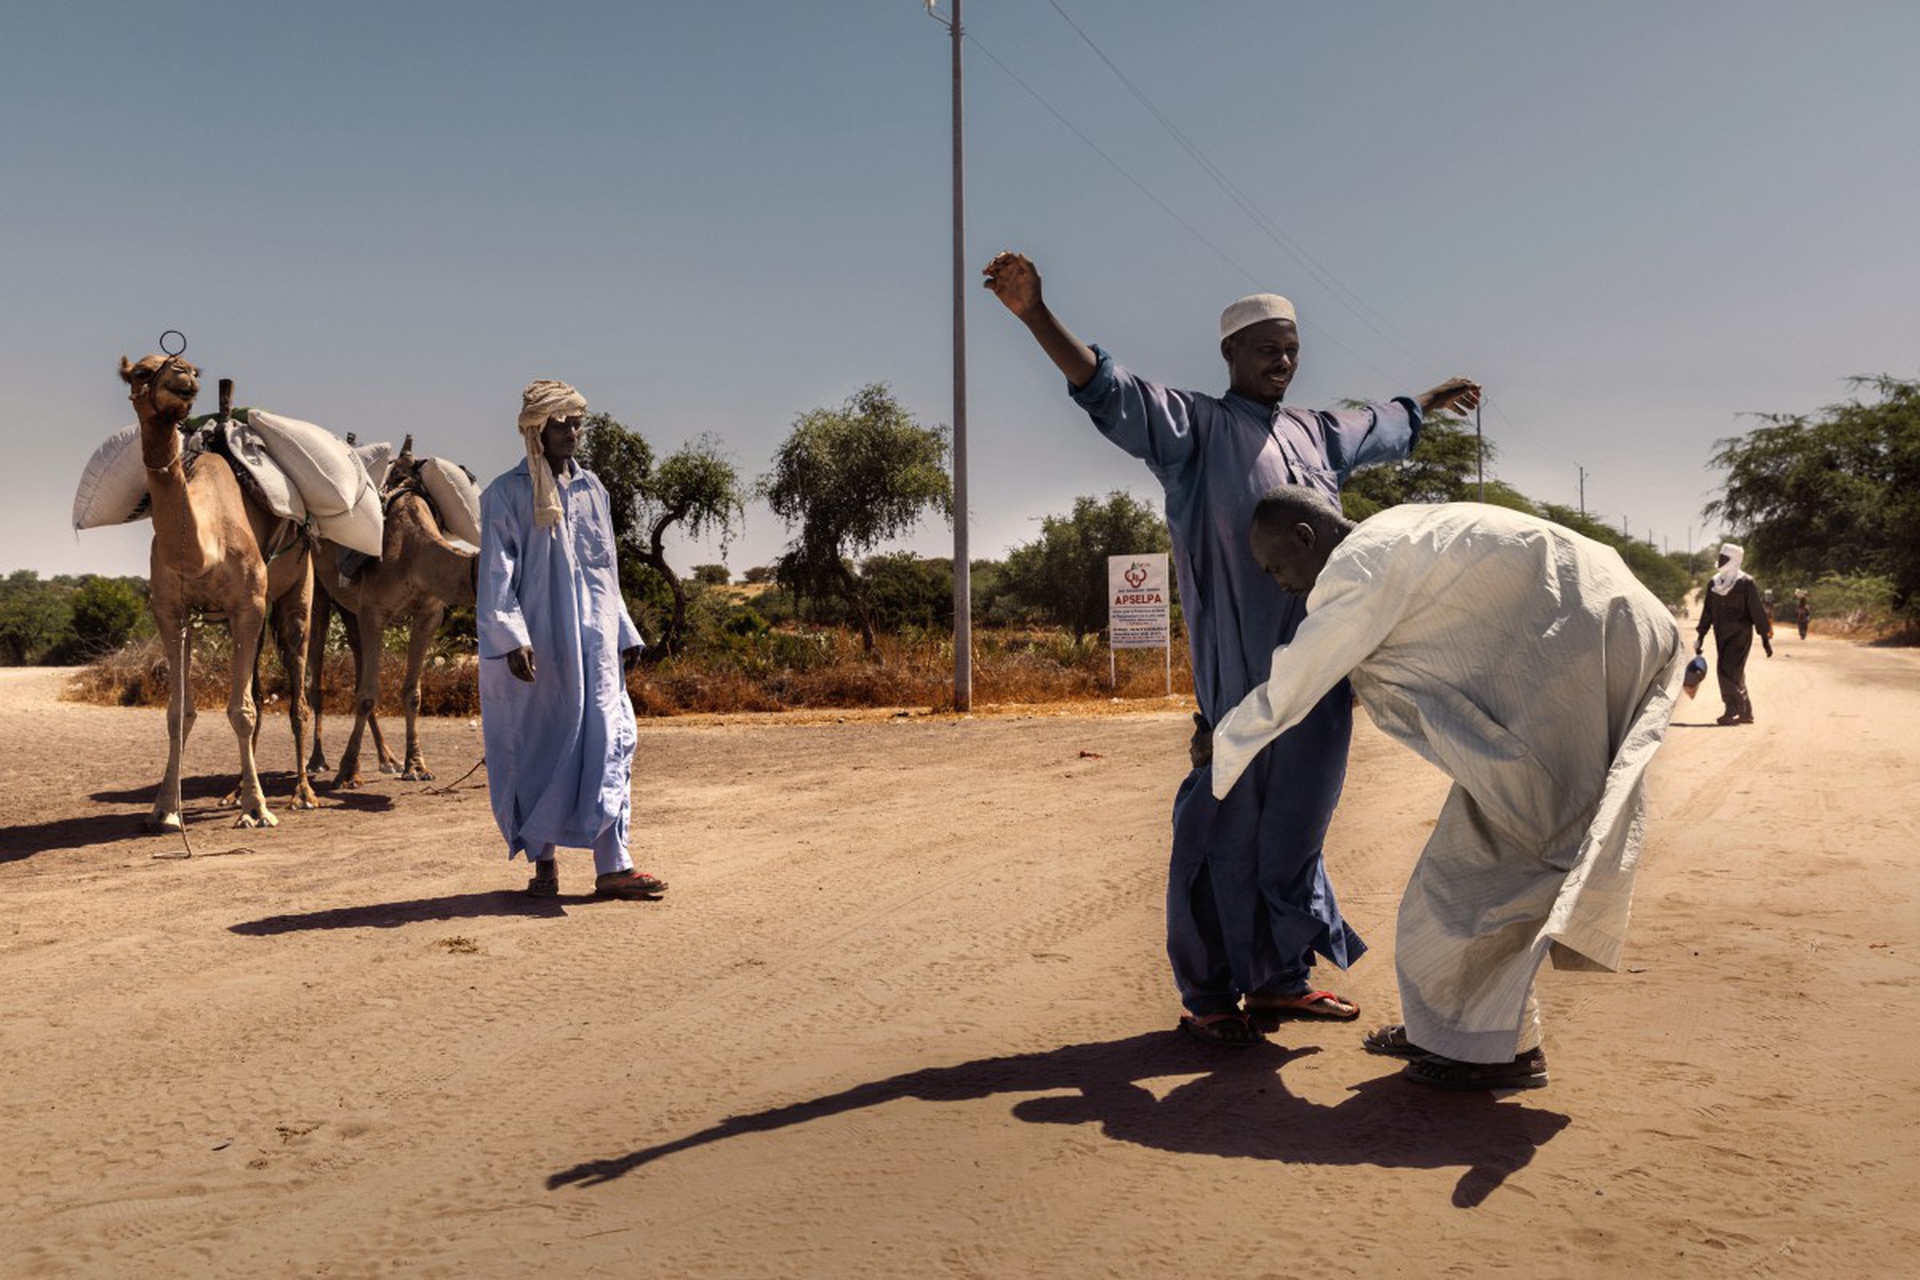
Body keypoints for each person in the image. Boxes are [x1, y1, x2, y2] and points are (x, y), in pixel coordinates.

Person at [982, 250, 1481, 1045]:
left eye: (1291, 349)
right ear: (1231, 355)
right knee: (1220, 830)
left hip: (1319, 679)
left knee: (1298, 829)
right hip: (1238, 683)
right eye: (1267, 349)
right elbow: (1106, 392)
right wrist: (1036, 313)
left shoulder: (1317, 433)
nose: (1283, 360)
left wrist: (1430, 399)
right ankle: (1209, 993)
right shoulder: (1195, 430)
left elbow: (1384, 425)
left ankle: (1282, 981)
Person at [1209, 487, 1685, 1089]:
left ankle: (1500, 1051)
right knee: (1484, 860)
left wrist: (1222, 744)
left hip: (1584, 649)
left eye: (1276, 567)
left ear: (1306, 537)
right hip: (1609, 624)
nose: (1280, 585)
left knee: (1490, 870)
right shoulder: (1397, 532)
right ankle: (1459, 1034)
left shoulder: (1357, 567)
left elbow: (1296, 679)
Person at [476, 380, 668, 901]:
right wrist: (511, 637)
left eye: (578, 421)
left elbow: (605, 568)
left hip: (598, 645)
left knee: (611, 739)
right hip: (540, 650)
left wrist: (623, 629)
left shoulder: (593, 490)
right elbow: (497, 572)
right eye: (561, 422)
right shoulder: (504, 494)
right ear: (536, 429)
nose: (573, 432)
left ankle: (614, 866)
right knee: (544, 747)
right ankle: (544, 865)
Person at [1694, 543, 1772, 726]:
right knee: (1736, 673)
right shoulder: (1714, 583)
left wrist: (1765, 639)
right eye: (1720, 557)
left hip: (1740, 635)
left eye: (1724, 559)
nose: (1720, 562)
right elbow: (1707, 612)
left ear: (1735, 560)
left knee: (1725, 670)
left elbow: (1757, 612)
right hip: (1721, 635)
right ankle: (1746, 712)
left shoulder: (1746, 582)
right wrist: (1700, 635)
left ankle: (1732, 710)